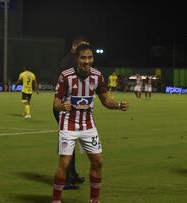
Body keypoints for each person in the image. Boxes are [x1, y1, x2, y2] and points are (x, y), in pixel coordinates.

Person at [52, 44, 129, 203]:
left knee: (98, 161)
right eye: (83, 58)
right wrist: (62, 106)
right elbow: (56, 103)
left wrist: (119, 105)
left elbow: (106, 100)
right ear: (76, 59)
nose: (87, 61)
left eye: (90, 57)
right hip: (69, 125)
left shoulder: (97, 76)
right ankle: (56, 200)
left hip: (88, 125)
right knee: (64, 163)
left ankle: (94, 200)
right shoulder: (66, 76)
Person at [54, 36, 90, 189]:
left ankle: (72, 174)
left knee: (72, 141)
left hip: (72, 106)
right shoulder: (68, 62)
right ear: (75, 46)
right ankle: (65, 180)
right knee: (67, 142)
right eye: (83, 47)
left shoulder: (70, 60)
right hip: (65, 106)